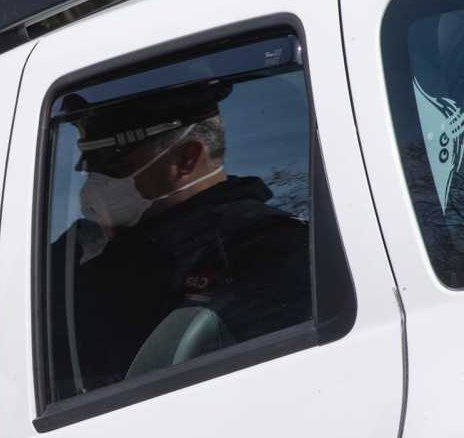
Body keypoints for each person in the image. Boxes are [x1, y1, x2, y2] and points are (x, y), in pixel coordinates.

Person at [49, 85, 312, 393]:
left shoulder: (272, 255)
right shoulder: (87, 250)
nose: (94, 183)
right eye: (87, 167)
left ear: (186, 160)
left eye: (112, 163)